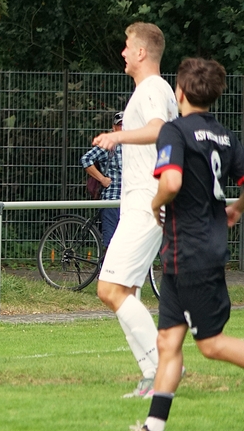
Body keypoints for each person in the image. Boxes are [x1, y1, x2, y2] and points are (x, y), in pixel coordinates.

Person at [133, 58, 244, 431]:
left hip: (193, 253)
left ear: (179, 92)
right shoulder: (225, 136)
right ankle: (153, 425)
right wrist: (236, 209)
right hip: (182, 256)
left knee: (211, 345)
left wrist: (155, 204)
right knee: (168, 342)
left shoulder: (174, 131)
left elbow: (172, 183)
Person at [92, 22, 178, 398]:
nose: (123, 52)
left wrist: (117, 136)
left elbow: (160, 130)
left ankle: (163, 368)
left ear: (142, 52)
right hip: (142, 203)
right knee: (124, 291)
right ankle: (152, 374)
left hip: (146, 202)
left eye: (128, 46)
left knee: (109, 288)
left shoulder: (153, 88)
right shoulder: (149, 90)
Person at [81, 111, 124, 248]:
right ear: (114, 128)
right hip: (111, 200)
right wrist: (102, 179)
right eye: (119, 125)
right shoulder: (109, 145)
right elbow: (86, 159)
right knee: (111, 243)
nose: (122, 128)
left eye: (125, 125)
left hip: (130, 200)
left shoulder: (136, 146)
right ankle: (107, 262)